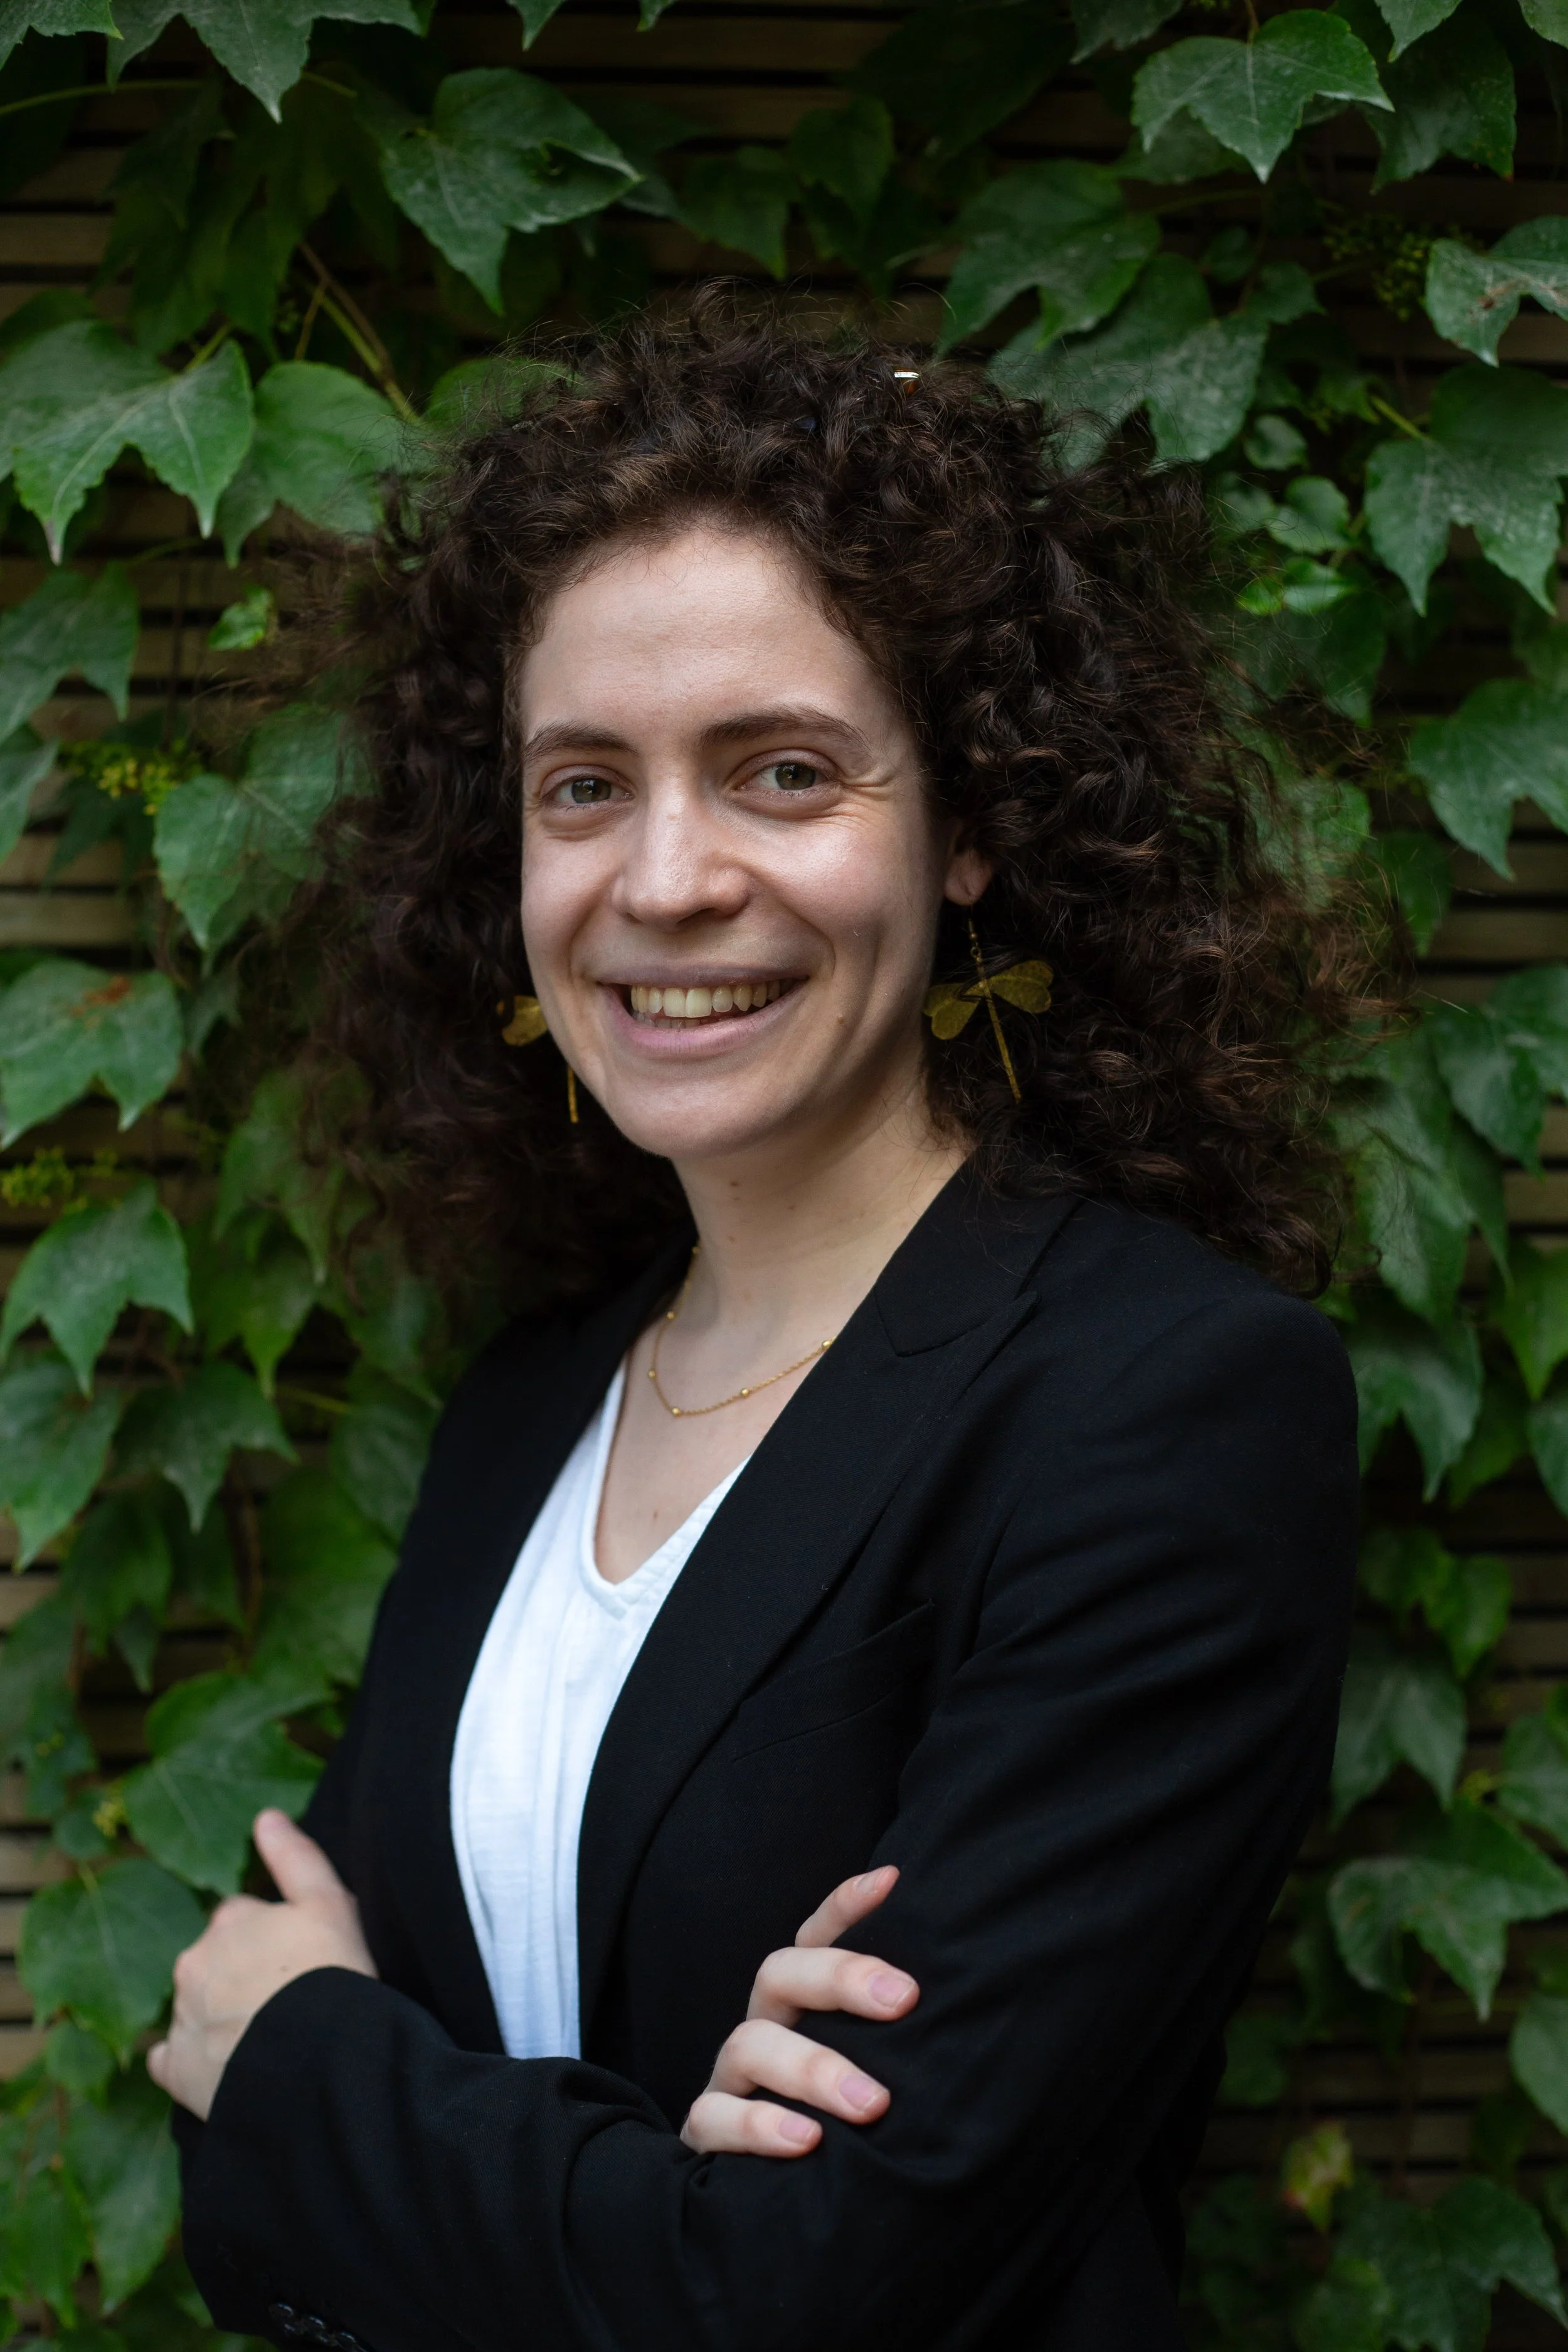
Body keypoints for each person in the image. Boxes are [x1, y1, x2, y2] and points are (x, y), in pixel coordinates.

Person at [150, 294, 1363, 2352]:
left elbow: (808, 2292)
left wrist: (307, 2068)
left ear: (967, 821)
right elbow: (256, 2193)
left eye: (781, 771)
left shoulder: (1158, 1404)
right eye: (581, 785)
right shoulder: (531, 1400)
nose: (669, 876)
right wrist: (648, 2185)